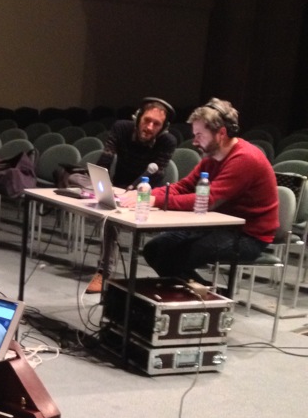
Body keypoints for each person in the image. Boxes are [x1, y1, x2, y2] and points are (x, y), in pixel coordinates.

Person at [119, 98, 278, 283]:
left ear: (222, 133)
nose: (194, 141)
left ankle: (207, 300)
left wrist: (154, 201)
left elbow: (208, 200)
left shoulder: (245, 159)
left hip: (248, 235)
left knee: (176, 256)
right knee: (154, 249)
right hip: (217, 226)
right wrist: (144, 195)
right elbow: (183, 187)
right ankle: (201, 294)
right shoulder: (212, 156)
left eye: (200, 135)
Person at [83, 97, 177, 293]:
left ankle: (104, 272)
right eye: (146, 121)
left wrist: (133, 193)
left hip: (147, 193)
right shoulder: (121, 128)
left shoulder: (167, 141)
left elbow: (156, 174)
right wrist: (99, 184)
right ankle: (105, 271)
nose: (150, 127)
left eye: (156, 124)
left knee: (112, 219)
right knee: (109, 215)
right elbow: (106, 157)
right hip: (119, 186)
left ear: (164, 127)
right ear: (137, 119)